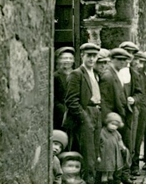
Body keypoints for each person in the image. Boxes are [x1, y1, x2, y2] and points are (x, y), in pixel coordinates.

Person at [64, 42, 102, 184]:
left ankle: (91, 179)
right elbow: (71, 100)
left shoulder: (95, 74)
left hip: (96, 112)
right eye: (89, 56)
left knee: (96, 151)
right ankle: (87, 180)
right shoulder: (77, 74)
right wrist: (84, 118)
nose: (92, 59)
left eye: (94, 56)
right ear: (82, 56)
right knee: (88, 154)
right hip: (85, 114)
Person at [99, 47, 135, 184]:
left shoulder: (117, 74)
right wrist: (110, 122)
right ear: (112, 60)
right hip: (114, 120)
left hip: (121, 117)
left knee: (123, 147)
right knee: (116, 150)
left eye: (125, 60)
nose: (123, 63)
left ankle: (123, 175)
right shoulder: (108, 76)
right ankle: (117, 177)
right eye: (120, 60)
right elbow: (106, 101)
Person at [127, 48, 146, 176]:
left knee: (138, 138)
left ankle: (134, 164)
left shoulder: (143, 75)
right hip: (129, 109)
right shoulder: (127, 73)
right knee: (128, 138)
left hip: (141, 109)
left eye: (141, 61)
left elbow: (143, 93)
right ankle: (127, 165)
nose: (138, 64)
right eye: (136, 60)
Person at [97, 112, 129, 185]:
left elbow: (119, 139)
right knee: (105, 171)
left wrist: (122, 147)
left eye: (116, 125)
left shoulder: (116, 133)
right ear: (107, 122)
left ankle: (111, 179)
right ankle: (104, 181)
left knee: (112, 170)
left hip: (114, 154)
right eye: (112, 124)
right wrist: (98, 155)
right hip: (105, 155)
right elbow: (98, 144)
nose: (114, 127)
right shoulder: (102, 132)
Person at [54, 47, 75, 130]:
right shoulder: (55, 76)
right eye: (64, 58)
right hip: (61, 115)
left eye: (70, 58)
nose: (68, 60)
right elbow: (54, 98)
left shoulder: (76, 74)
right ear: (58, 60)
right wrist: (63, 110)